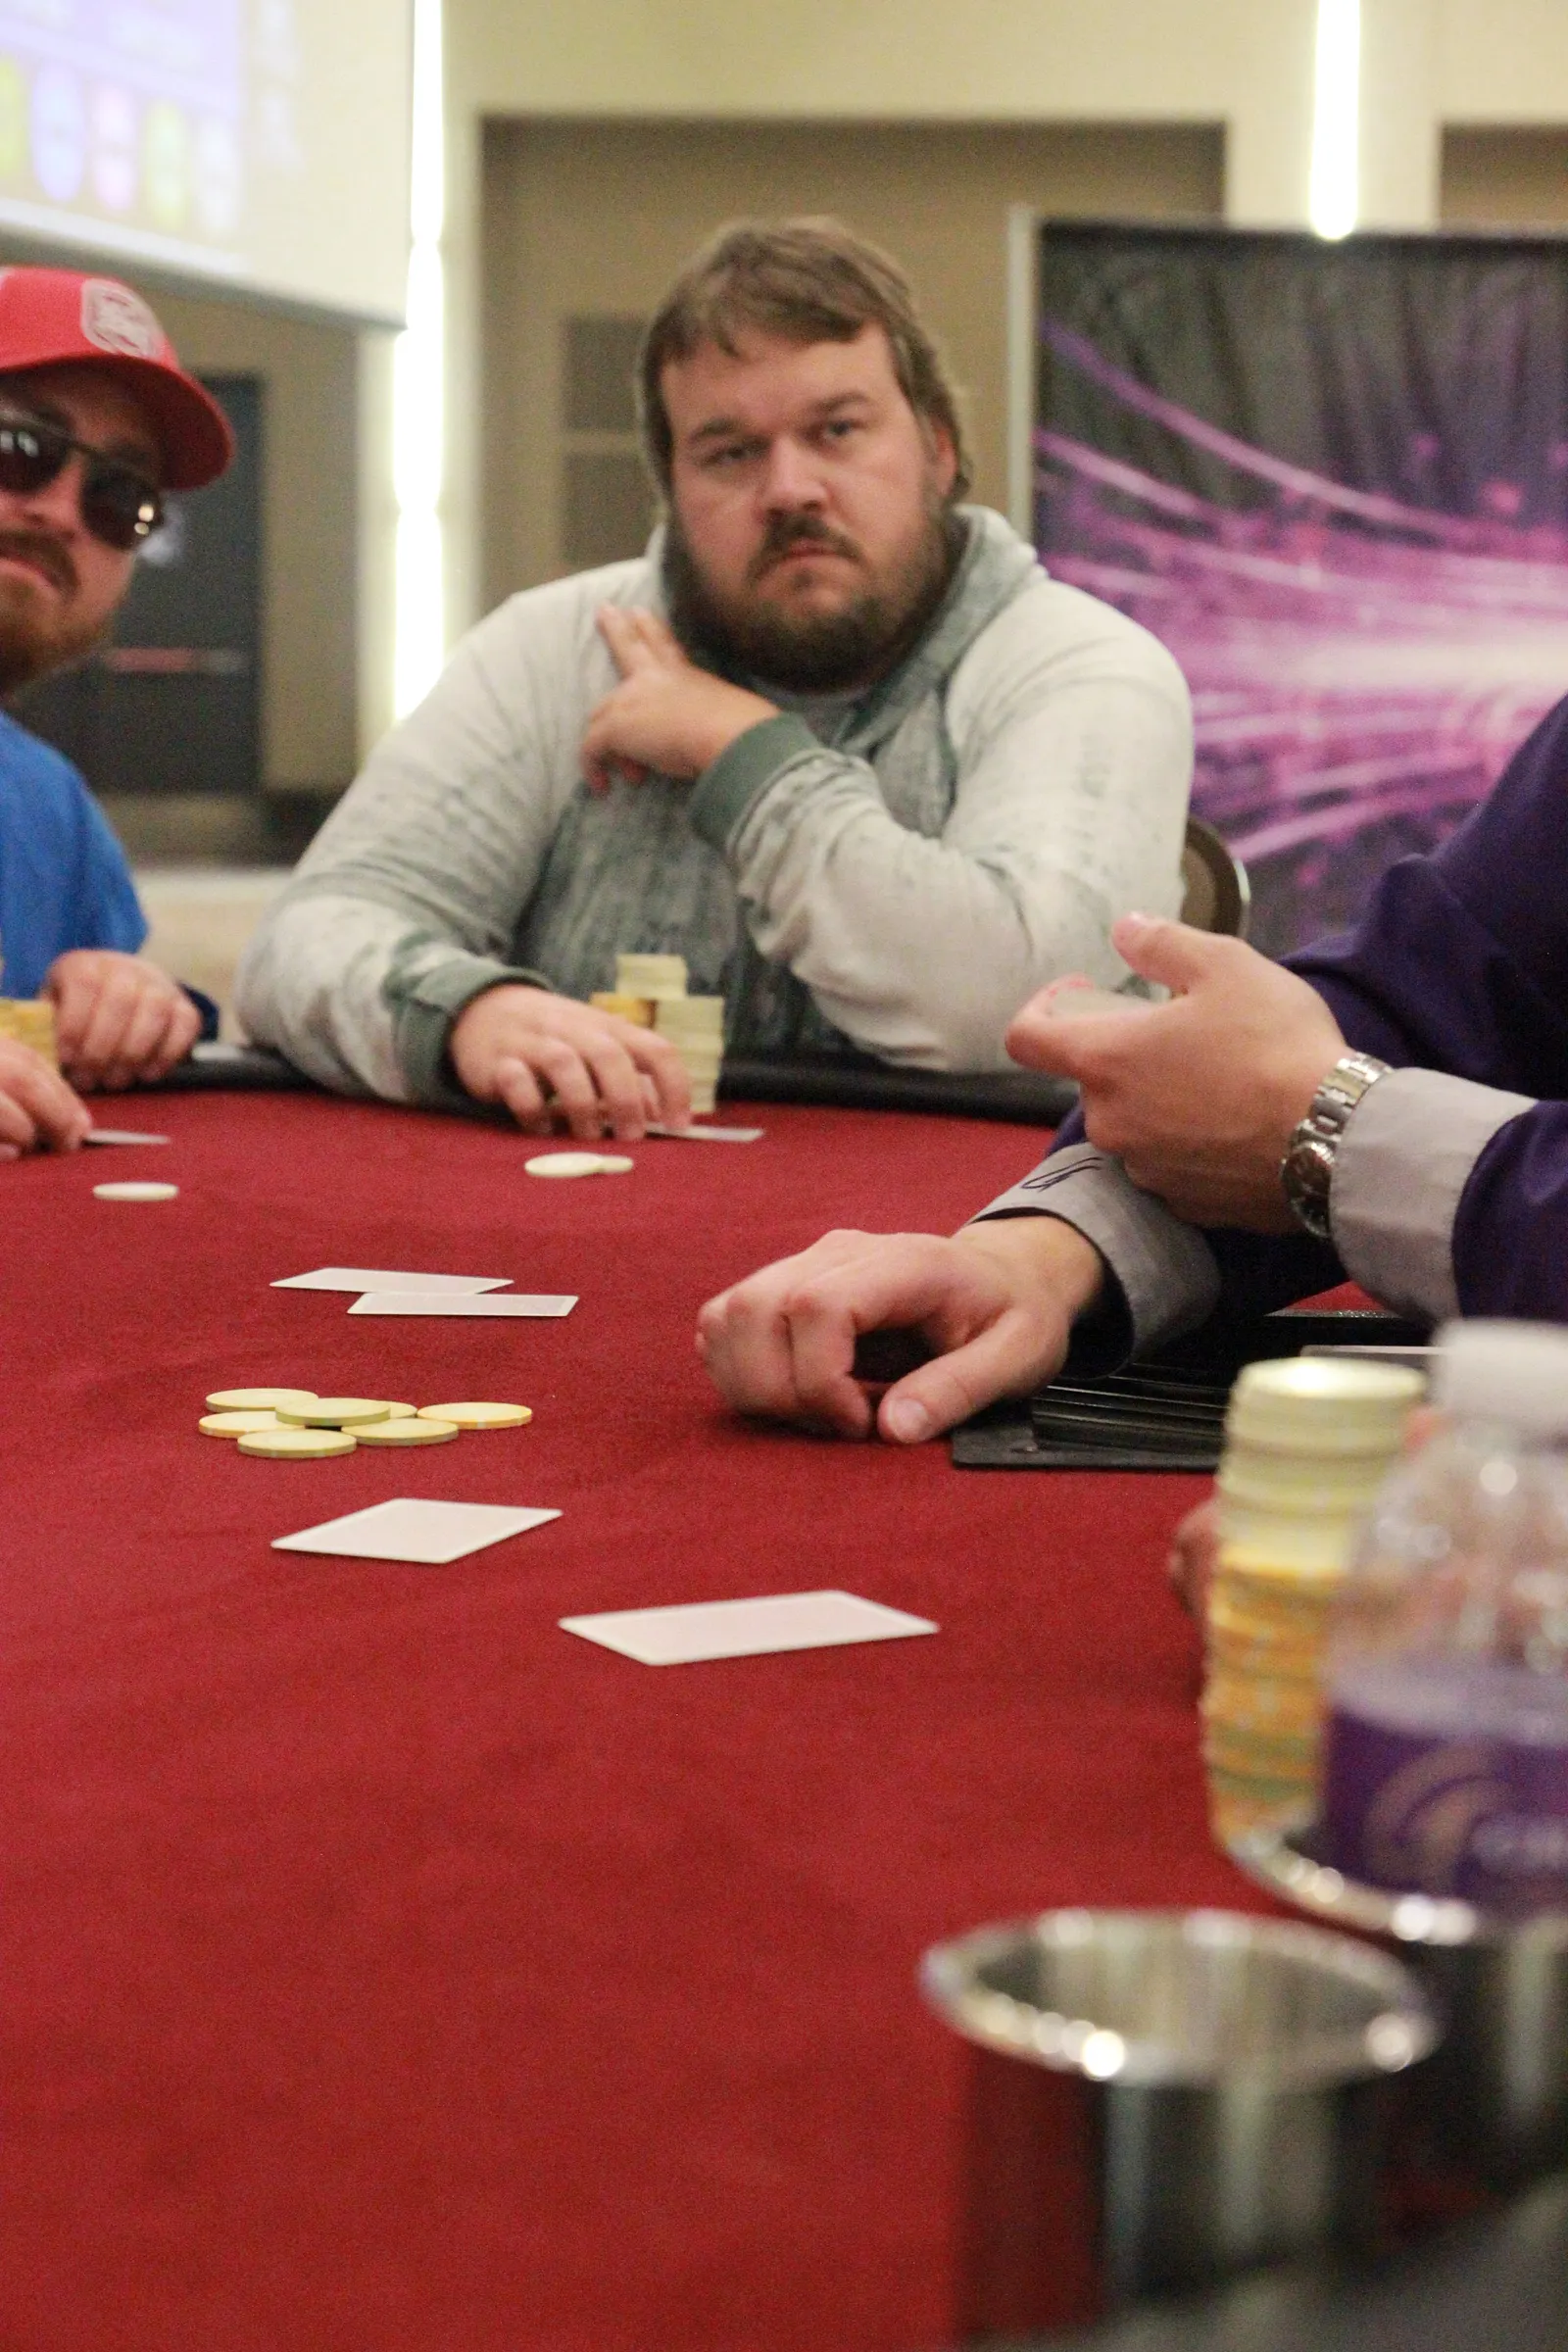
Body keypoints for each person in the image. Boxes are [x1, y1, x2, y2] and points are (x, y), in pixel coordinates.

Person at [235, 217, 1192, 1141]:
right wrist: (470, 1014)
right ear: (671, 490)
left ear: (938, 451)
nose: (789, 489)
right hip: (598, 1214)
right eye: (731, 453)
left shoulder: (1080, 666)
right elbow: (304, 943)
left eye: (837, 430)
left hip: (979, 1232)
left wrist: (745, 758)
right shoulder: (554, 650)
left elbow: (1011, 1007)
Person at [696, 691, 1568, 1438]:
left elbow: (983, 988)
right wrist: (1040, 1260)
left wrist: (1338, 1130)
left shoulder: (1077, 671)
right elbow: (1447, 996)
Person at [0, 265, 233, 1162]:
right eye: (18, 447)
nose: (61, 511)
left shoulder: (48, 805)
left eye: (119, 496)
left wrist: (126, 1003)